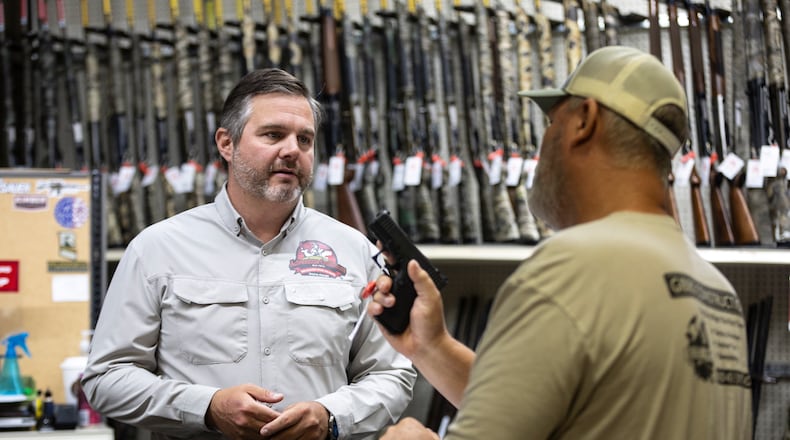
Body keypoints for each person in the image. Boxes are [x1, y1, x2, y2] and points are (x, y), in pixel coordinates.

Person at [368, 46, 752, 439]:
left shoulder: (571, 268)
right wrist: (430, 346)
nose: (543, 142)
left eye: (552, 121)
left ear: (584, 120)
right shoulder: (718, 293)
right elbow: (563, 415)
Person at [82, 68, 417, 440]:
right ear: (227, 143)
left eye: (304, 140)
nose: (292, 150)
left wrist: (331, 416)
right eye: (273, 134)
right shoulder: (157, 249)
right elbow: (106, 377)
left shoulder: (355, 251)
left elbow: (392, 374)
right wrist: (206, 407)